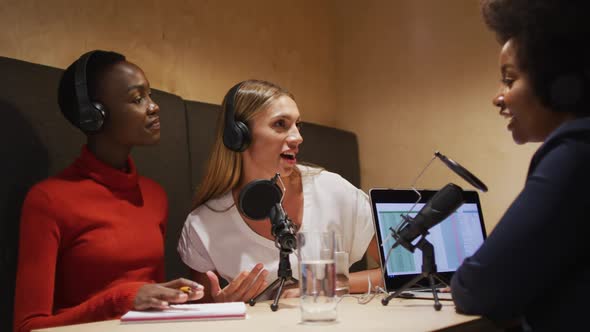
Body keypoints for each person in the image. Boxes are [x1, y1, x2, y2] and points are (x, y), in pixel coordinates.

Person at [13, 50, 204, 332]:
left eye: (150, 95)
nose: (154, 107)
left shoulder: (154, 196)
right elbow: (27, 326)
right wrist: (121, 299)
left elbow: (151, 309)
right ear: (94, 116)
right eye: (137, 99)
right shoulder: (48, 200)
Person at [451, 1, 590, 330]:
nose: (498, 97)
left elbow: (477, 287)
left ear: (558, 83)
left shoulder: (576, 152)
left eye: (509, 80)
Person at [177, 79, 382, 303]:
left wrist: (320, 283)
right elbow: (198, 310)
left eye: (297, 125)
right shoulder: (204, 223)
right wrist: (221, 305)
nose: (297, 138)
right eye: (280, 124)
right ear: (239, 134)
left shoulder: (334, 190)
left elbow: (404, 272)